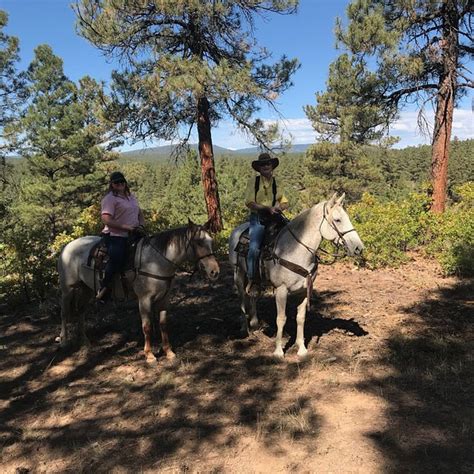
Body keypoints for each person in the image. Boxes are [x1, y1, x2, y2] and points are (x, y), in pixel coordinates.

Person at [96, 171, 145, 301]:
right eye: (116, 182)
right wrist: (127, 228)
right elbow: (106, 220)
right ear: (112, 184)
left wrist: (141, 225)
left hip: (134, 232)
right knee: (117, 257)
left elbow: (140, 213)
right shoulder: (109, 199)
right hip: (115, 235)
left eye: (122, 181)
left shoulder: (131, 197)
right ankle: (105, 287)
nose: (120, 184)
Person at [244, 152, 288, 296]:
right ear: (259, 168)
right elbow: (249, 202)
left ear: (272, 166)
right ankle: (253, 280)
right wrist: (267, 208)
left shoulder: (277, 182)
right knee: (254, 248)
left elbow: (284, 201)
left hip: (275, 217)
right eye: (263, 164)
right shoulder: (254, 182)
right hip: (258, 219)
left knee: (292, 238)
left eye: (268, 164)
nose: (265, 166)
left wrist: (279, 208)